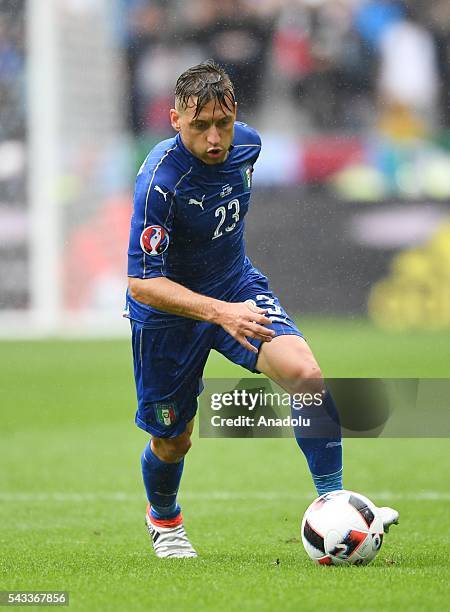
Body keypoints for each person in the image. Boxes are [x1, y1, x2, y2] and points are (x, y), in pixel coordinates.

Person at [126, 60, 398, 558]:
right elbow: (142, 283)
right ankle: (164, 520)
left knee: (307, 377)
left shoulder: (247, 146)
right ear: (174, 120)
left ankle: (335, 503)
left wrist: (230, 304)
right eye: (200, 126)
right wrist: (217, 312)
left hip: (236, 288)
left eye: (223, 124)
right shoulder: (159, 185)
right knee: (174, 440)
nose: (215, 138)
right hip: (170, 316)